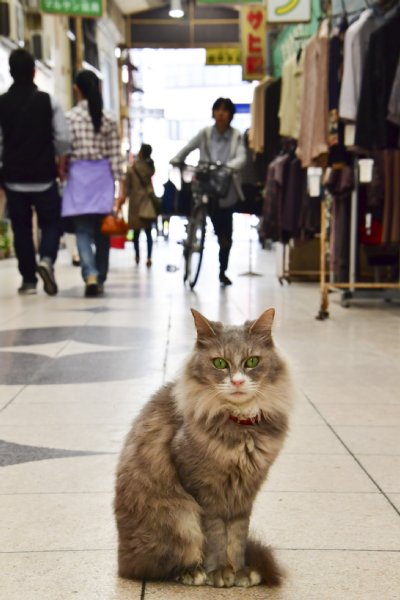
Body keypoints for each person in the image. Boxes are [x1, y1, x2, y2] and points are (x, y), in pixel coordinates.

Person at [0, 48, 70, 295]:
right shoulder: (49, 101)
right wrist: (61, 165)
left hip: (13, 177)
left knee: (21, 228)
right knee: (51, 222)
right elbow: (62, 139)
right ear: (34, 72)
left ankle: (28, 280)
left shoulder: (1, 103)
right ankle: (47, 259)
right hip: (44, 176)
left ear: (10, 72)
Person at [170, 97, 246, 286]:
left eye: (225, 110)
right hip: (205, 185)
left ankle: (222, 270)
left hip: (225, 191)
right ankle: (190, 239)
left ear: (230, 115)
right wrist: (176, 159)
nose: (221, 113)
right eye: (217, 109)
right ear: (213, 113)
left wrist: (228, 167)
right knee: (193, 206)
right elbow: (188, 148)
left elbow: (242, 157)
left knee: (225, 236)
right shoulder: (204, 133)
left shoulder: (236, 136)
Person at [62, 69, 124, 297]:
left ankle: (89, 274)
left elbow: (64, 152)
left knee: (82, 230)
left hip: (78, 177)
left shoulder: (69, 118)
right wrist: (121, 188)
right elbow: (115, 156)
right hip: (102, 178)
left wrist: (62, 173)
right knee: (103, 231)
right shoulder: (107, 118)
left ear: (76, 89)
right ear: (98, 88)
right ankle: (100, 276)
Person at [125, 143, 155, 267]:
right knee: (148, 232)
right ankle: (149, 257)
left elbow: (128, 188)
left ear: (141, 152)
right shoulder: (150, 167)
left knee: (136, 233)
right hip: (148, 201)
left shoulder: (132, 168)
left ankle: (137, 255)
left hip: (136, 202)